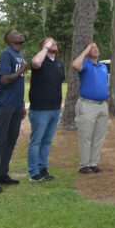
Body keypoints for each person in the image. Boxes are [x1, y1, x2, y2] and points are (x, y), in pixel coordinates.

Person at [0, 29, 29, 193]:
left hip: (16, 105)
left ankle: (3, 174)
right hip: (4, 105)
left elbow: (19, 84)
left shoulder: (19, 54)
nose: (20, 34)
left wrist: (22, 104)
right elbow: (4, 79)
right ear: (10, 39)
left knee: (11, 141)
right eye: (17, 33)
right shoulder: (6, 54)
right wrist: (21, 70)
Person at [27, 36, 65, 182]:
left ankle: (43, 169)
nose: (53, 43)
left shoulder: (59, 64)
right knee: (36, 141)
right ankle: (33, 172)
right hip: (40, 109)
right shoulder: (40, 60)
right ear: (43, 46)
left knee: (47, 141)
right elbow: (36, 62)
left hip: (55, 109)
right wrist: (46, 47)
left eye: (54, 42)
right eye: (50, 42)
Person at [71, 41, 109, 174]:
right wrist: (86, 49)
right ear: (87, 52)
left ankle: (93, 163)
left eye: (96, 47)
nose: (95, 49)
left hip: (102, 106)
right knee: (85, 136)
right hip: (87, 105)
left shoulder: (103, 66)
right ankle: (84, 165)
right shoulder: (85, 64)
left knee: (99, 137)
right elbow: (75, 65)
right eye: (92, 48)